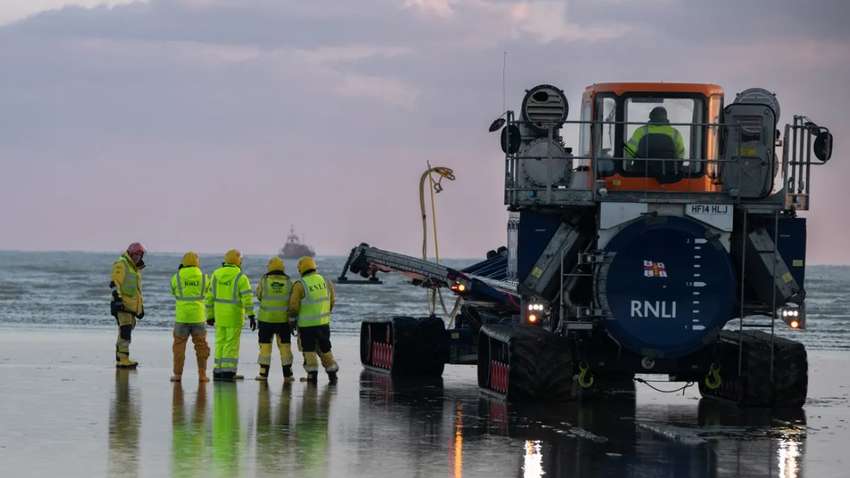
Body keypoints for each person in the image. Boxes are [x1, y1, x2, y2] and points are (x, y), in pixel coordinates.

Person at [205, 249, 255, 382]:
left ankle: (218, 370)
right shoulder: (240, 277)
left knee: (220, 342)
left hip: (219, 316)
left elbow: (209, 297)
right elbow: (247, 298)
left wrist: (209, 316)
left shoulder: (216, 274)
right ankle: (228, 372)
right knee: (231, 344)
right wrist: (251, 315)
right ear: (238, 261)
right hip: (234, 316)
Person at [289, 256, 338, 383]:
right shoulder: (326, 282)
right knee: (325, 348)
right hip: (323, 324)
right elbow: (332, 301)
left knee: (309, 349)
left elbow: (293, 307)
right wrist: (326, 314)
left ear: (301, 269)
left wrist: (292, 321)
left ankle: (312, 375)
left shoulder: (300, 284)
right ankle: (332, 373)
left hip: (306, 326)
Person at [169, 251, 211, 383]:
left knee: (179, 347)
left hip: (181, 318)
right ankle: (202, 375)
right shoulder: (204, 278)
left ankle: (177, 375)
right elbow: (207, 292)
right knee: (201, 346)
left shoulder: (176, 277)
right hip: (198, 317)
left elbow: (173, 292)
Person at [254, 256, 295, 382]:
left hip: (266, 320)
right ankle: (288, 374)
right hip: (283, 321)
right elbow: (292, 300)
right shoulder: (289, 282)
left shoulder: (264, 280)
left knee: (265, 347)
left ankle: (263, 374)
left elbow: (259, 295)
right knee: (285, 347)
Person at [110, 242, 146, 368]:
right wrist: (118, 299)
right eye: (136, 254)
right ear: (130, 253)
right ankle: (123, 359)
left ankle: (120, 355)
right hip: (122, 305)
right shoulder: (122, 263)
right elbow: (115, 282)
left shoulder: (134, 269)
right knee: (125, 331)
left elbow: (137, 291)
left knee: (127, 329)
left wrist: (140, 309)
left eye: (140, 254)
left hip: (130, 306)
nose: (138, 257)